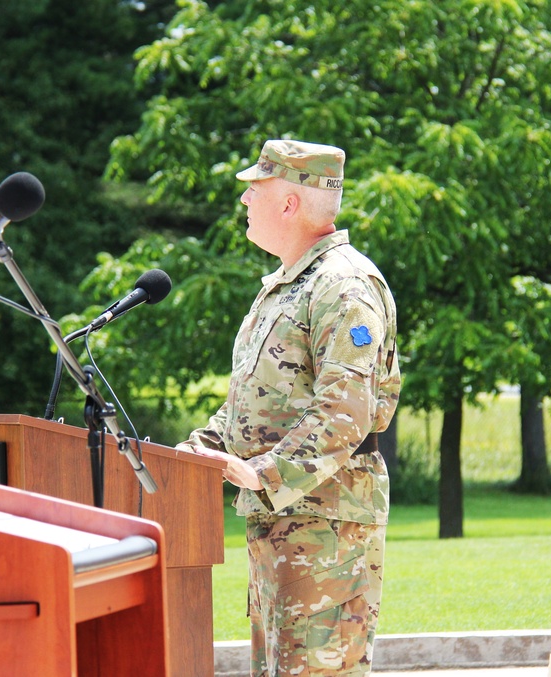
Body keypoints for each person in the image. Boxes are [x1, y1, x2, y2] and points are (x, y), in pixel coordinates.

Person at [175, 139, 400, 676]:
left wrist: (259, 472)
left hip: (327, 527)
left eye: (256, 189)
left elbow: (344, 412)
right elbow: (250, 409)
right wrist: (187, 454)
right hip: (283, 524)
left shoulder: (342, 285)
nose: (245, 200)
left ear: (290, 204)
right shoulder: (285, 287)